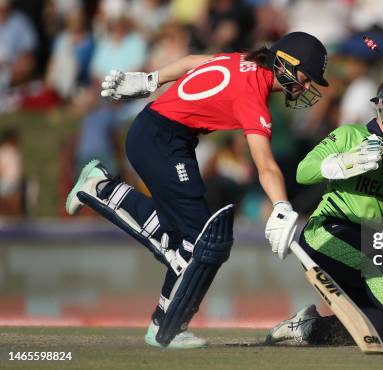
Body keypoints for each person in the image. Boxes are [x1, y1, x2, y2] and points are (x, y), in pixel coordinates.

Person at [64, 31, 329, 348]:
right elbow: (266, 165)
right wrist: (282, 206)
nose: (309, 86)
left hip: (164, 137)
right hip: (161, 142)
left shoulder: (244, 60)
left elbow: (192, 62)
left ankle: (102, 189)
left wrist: (151, 80)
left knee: (191, 241)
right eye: (307, 76)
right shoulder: (252, 94)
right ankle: (166, 328)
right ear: (285, 63)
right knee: (201, 241)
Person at [266, 61, 383, 347]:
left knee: (380, 328)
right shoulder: (350, 135)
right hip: (325, 231)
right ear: (380, 105)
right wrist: (343, 162)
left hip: (364, 241)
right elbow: (302, 171)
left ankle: (306, 327)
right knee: (373, 259)